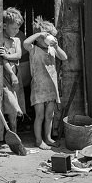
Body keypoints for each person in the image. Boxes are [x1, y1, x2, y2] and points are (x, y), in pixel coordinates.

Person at [23, 17, 67, 150]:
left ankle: (47, 138)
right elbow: (25, 42)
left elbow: (64, 57)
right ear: (38, 38)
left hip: (51, 87)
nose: (49, 39)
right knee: (40, 115)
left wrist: (56, 45)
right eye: (47, 37)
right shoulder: (33, 49)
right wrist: (39, 34)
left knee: (50, 115)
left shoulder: (52, 50)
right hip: (39, 88)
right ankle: (38, 140)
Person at [0, 7, 25, 121]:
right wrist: (11, 73)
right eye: (14, 28)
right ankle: (16, 109)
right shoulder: (0, 40)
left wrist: (7, 56)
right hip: (4, 74)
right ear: (4, 26)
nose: (17, 31)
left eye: (18, 28)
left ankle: (14, 131)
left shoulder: (17, 40)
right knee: (7, 94)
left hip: (15, 73)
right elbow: (2, 60)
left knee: (16, 95)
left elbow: (18, 55)